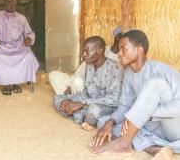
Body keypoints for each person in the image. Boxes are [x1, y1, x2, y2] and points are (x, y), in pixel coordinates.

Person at [90, 30, 180, 159]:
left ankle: (124, 143)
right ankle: (158, 150)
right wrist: (111, 121)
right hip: (157, 128)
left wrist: (144, 115)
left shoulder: (160, 69)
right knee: (104, 123)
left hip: (175, 126)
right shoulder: (128, 73)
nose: (119, 53)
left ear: (139, 50)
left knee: (155, 83)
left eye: (123, 49)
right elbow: (125, 106)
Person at [53, 36, 123, 131]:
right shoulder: (89, 65)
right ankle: (85, 118)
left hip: (105, 106)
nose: (83, 55)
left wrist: (83, 104)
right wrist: (69, 101)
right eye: (83, 51)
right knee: (58, 99)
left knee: (93, 110)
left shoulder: (116, 68)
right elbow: (86, 91)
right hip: (88, 100)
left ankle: (79, 115)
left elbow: (113, 100)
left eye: (87, 51)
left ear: (100, 51)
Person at [0, 0, 39, 95]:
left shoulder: (21, 18)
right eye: (8, 1)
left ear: (15, 3)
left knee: (28, 55)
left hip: (18, 46)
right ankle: (5, 84)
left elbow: (29, 32)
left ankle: (15, 83)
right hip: (2, 46)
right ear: (4, 2)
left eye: (12, 1)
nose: (10, 4)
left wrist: (29, 38)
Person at [49, 26, 126, 95]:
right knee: (53, 75)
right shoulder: (101, 49)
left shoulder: (123, 57)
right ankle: (70, 94)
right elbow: (79, 72)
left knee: (78, 82)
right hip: (79, 80)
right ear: (118, 37)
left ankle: (73, 97)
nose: (84, 54)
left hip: (93, 87)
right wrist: (72, 83)